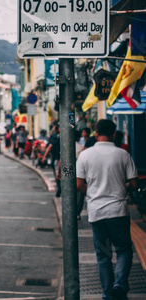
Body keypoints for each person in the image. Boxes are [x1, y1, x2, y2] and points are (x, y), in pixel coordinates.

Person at [76, 119, 138, 300]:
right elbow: (133, 183)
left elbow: (79, 185)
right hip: (118, 212)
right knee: (124, 250)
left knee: (103, 256)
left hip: (96, 213)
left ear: (96, 134)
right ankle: (119, 284)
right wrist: (119, 188)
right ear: (113, 134)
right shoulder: (123, 155)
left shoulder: (85, 155)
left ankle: (107, 294)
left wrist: (95, 191)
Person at [41, 121, 61, 197]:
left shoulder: (55, 136)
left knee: (58, 174)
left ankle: (59, 189)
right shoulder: (56, 136)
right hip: (57, 157)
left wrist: (44, 156)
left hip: (57, 158)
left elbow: (50, 146)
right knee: (58, 173)